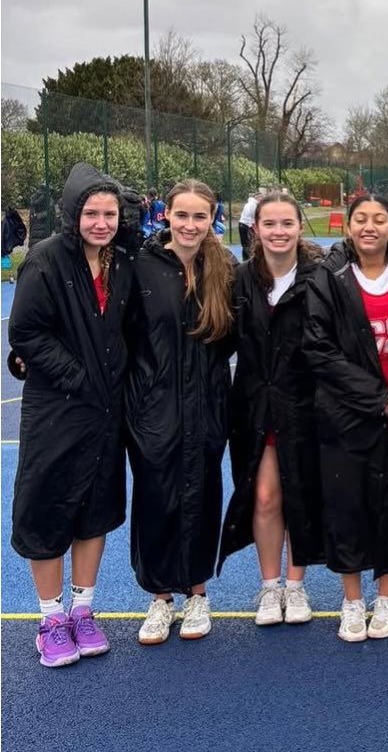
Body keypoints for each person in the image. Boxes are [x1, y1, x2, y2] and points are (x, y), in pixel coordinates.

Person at [8, 164, 137, 666]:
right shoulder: (45, 260)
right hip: (57, 409)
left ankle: (83, 610)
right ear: (72, 213)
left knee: (94, 509)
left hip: (106, 412)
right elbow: (27, 334)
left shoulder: (121, 261)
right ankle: (51, 619)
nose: (101, 222)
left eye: (109, 213)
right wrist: (78, 377)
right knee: (47, 508)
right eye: (91, 212)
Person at [302, 193, 388, 643]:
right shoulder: (327, 277)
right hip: (348, 413)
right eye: (361, 219)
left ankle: (386, 599)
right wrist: (374, 395)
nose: (369, 226)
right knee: (347, 506)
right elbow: (318, 348)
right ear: (349, 227)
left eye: (379, 219)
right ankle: (353, 601)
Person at [126, 179, 236, 645]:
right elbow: (120, 335)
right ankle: (159, 599)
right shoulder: (141, 267)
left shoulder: (225, 269)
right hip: (154, 408)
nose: (191, 224)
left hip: (208, 406)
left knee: (202, 496)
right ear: (166, 215)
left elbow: (234, 338)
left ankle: (197, 594)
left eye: (201, 216)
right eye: (183, 215)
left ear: (212, 219)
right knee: (156, 499)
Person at [217, 191, 325, 625]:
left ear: (300, 228)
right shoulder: (240, 280)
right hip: (255, 406)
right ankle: (269, 587)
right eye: (270, 225)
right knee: (263, 497)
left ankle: (296, 586)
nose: (278, 232)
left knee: (299, 492)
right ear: (255, 230)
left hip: (305, 406)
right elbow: (217, 338)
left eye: (287, 224)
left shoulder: (321, 278)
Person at [238, 189, 260, 256]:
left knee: (244, 244)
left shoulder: (248, 204)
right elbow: (253, 217)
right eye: (261, 198)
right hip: (247, 225)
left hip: (241, 224)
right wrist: (254, 229)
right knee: (249, 244)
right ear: (257, 198)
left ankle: (245, 259)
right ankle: (250, 259)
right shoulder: (253, 205)